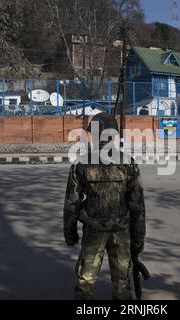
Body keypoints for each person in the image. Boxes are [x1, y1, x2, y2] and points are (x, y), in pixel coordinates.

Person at [63, 113, 146, 300]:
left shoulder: (81, 164)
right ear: (114, 135)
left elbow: (71, 204)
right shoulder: (128, 163)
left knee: (85, 283)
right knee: (122, 285)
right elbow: (137, 206)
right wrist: (139, 238)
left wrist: (70, 234)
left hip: (93, 231)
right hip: (121, 232)